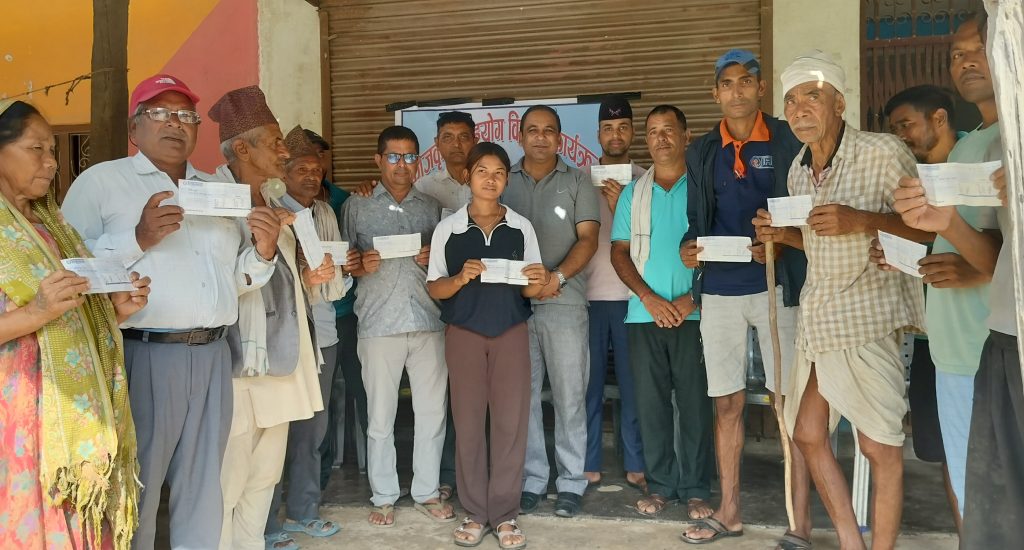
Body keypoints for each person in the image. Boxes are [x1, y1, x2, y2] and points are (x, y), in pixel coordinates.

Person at [61, 74, 282, 550]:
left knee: (204, 486)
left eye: (185, 115)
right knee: (136, 485)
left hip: (213, 354)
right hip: (143, 354)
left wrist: (263, 253)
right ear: (134, 127)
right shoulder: (101, 183)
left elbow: (233, 279)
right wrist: (137, 239)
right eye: (159, 113)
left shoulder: (216, 190)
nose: (174, 123)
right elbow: (71, 268)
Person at [753, 51, 931, 550]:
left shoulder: (883, 152)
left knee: (879, 446)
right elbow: (818, 242)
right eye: (791, 100)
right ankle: (852, 542)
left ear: (839, 103)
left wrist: (863, 220)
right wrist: (781, 236)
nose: (799, 109)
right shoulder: (797, 170)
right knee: (808, 435)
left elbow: (928, 230)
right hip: (820, 318)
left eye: (812, 96)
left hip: (867, 317)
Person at [886, 14, 1023, 548]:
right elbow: (971, 243)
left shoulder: (1010, 141)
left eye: (978, 49)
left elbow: (995, 258)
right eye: (956, 54)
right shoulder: (971, 149)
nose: (966, 61)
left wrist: (979, 261)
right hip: (956, 349)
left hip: (989, 348)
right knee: (975, 493)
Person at [0, 99, 150, 549]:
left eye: (51, 150)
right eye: (36, 149)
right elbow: (44, 311)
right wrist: (35, 312)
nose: (50, 162)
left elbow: (75, 311)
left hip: (74, 418)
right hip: (19, 411)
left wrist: (116, 311)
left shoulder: (53, 224)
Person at [678, 50, 811, 547]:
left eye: (746, 81)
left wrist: (781, 240)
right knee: (727, 403)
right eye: (727, 83)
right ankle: (729, 512)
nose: (737, 91)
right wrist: (689, 248)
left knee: (786, 402)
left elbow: (806, 209)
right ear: (715, 93)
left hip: (777, 284)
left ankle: (799, 521)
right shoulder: (702, 150)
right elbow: (697, 219)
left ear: (760, 88)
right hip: (719, 289)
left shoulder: (787, 138)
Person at [207, 86, 330, 550]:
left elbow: (283, 281)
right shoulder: (214, 202)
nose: (285, 152)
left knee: (263, 477)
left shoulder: (275, 202)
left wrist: (307, 275)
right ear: (242, 149)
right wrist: (262, 249)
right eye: (275, 142)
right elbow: (217, 286)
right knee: (228, 479)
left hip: (280, 358)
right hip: (236, 365)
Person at [427, 142, 548, 549]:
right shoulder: (449, 229)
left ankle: (506, 514)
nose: (490, 179)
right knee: (468, 423)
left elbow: (531, 288)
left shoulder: (521, 227)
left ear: (507, 179)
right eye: (482, 171)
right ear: (468, 177)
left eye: (498, 172)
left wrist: (538, 280)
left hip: (510, 331)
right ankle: (476, 512)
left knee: (511, 424)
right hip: (464, 333)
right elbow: (435, 288)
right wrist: (460, 278)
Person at [342, 125, 453, 527]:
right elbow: (341, 262)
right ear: (378, 160)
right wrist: (359, 264)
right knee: (380, 417)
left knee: (431, 413)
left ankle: (426, 492)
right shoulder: (357, 205)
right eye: (393, 156)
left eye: (409, 157)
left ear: (418, 160)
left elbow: (448, 265)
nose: (401, 165)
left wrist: (433, 258)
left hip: (428, 320)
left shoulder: (432, 207)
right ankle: (384, 496)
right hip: (378, 322)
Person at [881, 84, 980, 532]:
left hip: (985, 339)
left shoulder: (982, 165)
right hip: (935, 338)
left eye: (906, 125)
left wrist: (974, 268)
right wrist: (899, 257)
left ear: (939, 118)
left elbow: (994, 249)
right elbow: (937, 255)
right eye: (894, 129)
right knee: (947, 452)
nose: (901, 136)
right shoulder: (915, 181)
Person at [609, 104, 714, 525]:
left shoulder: (705, 187)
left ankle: (696, 488)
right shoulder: (634, 193)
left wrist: (694, 299)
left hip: (695, 314)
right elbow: (619, 252)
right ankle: (661, 485)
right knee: (650, 405)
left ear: (686, 136)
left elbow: (723, 246)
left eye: (669, 130)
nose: (661, 138)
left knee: (694, 404)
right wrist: (648, 298)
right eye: (652, 131)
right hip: (644, 315)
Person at [264, 126, 361, 548]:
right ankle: (266, 523)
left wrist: (345, 270)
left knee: (312, 430)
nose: (311, 176)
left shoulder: (324, 213)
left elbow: (335, 284)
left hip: (321, 332)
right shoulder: (268, 211)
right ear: (283, 172)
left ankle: (303, 512)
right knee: (273, 434)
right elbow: (263, 280)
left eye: (316, 170)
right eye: (301, 169)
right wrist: (305, 278)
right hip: (280, 335)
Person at [503, 105, 600, 518]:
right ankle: (532, 479)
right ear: (520, 136)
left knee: (569, 395)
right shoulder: (503, 180)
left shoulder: (578, 181)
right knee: (522, 397)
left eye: (548, 131)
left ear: (560, 138)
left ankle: (571, 482)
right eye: (532, 130)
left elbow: (588, 239)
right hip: (513, 307)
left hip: (565, 301)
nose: (540, 137)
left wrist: (556, 277)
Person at [580, 95, 647, 491]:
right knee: (587, 387)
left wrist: (624, 205)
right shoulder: (578, 179)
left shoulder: (647, 180)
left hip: (632, 300)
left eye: (623, 127)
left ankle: (635, 461)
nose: (615, 134)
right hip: (587, 300)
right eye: (608, 128)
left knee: (632, 387)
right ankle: (588, 461)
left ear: (633, 132)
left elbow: (654, 241)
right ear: (598, 134)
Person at [303, 129, 368, 486]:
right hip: (313, 317)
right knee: (318, 402)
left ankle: (374, 469)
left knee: (364, 390)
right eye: (306, 159)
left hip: (351, 312)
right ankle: (319, 477)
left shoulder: (343, 200)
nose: (314, 166)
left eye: (319, 157)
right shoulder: (282, 206)